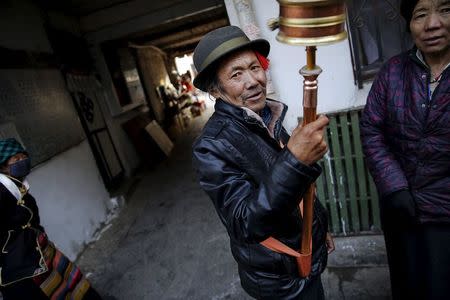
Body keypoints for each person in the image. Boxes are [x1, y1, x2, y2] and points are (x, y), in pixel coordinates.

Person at [192, 25, 334, 299]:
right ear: (215, 89)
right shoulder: (210, 146)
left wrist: (317, 228)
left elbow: (297, 191)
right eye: (236, 74)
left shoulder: (268, 115)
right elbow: (245, 222)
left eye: (255, 67)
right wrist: (295, 160)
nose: (253, 81)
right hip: (278, 280)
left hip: (305, 254)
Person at [360, 0, 450, 299]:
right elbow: (372, 129)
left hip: (445, 214)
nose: (432, 24)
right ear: (409, 25)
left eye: (445, 10)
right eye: (420, 15)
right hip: (402, 211)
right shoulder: (393, 71)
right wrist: (394, 186)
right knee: (407, 285)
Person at [0, 138, 103, 300]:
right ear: (4, 166)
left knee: (70, 279)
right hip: (19, 262)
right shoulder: (2, 191)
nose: (22, 161)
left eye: (23, 157)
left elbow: (33, 220)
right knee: (50, 290)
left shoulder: (19, 187)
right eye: (16, 159)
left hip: (39, 247)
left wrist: (40, 236)